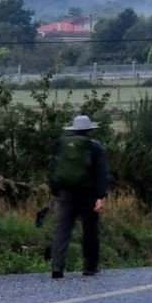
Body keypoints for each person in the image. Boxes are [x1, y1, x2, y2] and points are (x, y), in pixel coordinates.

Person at [46, 112, 110, 279]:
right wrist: (100, 196)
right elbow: (102, 173)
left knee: (62, 229)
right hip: (88, 194)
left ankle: (57, 266)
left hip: (66, 193)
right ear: (89, 130)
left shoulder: (62, 144)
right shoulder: (95, 146)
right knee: (90, 229)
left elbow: (54, 169)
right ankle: (90, 266)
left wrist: (56, 190)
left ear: (73, 129)